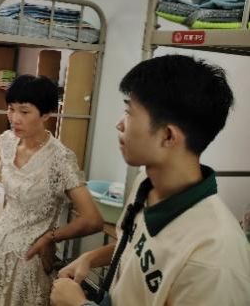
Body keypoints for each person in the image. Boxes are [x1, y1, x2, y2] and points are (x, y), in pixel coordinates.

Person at [51, 55, 250, 306]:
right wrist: (90, 258)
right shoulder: (146, 183)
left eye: (129, 112)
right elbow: (141, 247)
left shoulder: (213, 257)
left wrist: (79, 305)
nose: (119, 124)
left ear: (168, 136)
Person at [0, 75, 103, 306]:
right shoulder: (6, 141)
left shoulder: (60, 159)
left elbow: (93, 220)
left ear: (46, 115)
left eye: (24, 111)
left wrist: (50, 238)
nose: (15, 118)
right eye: (11, 109)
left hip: (29, 257)